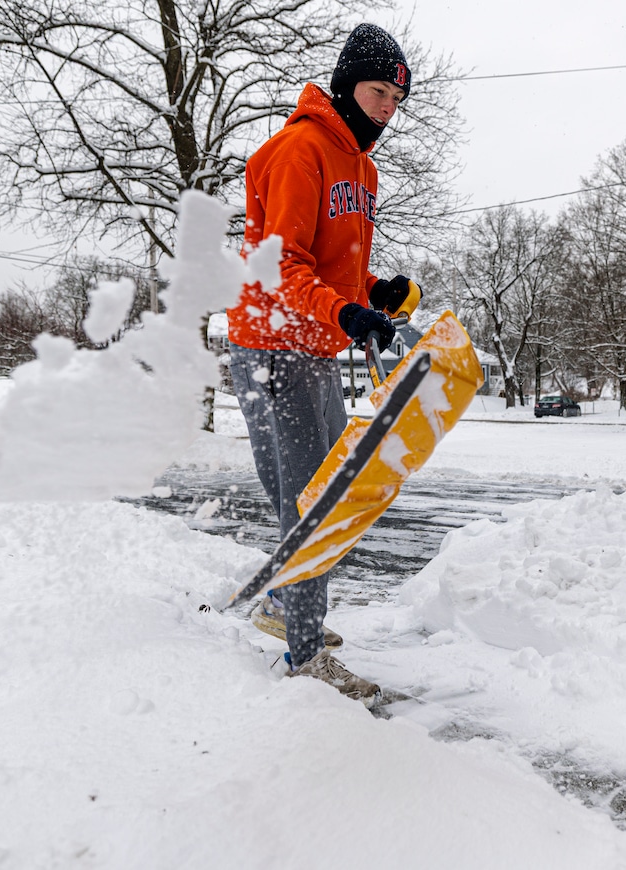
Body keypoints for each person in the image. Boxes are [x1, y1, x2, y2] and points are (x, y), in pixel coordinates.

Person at [225, 23, 419, 703]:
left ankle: (286, 606)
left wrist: (375, 295)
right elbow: (283, 269)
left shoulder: (362, 170)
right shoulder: (297, 152)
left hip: (314, 345)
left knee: (324, 493)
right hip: (273, 344)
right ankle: (303, 657)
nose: (386, 109)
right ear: (344, 86)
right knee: (314, 502)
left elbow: (337, 272)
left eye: (396, 99)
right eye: (376, 92)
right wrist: (346, 314)